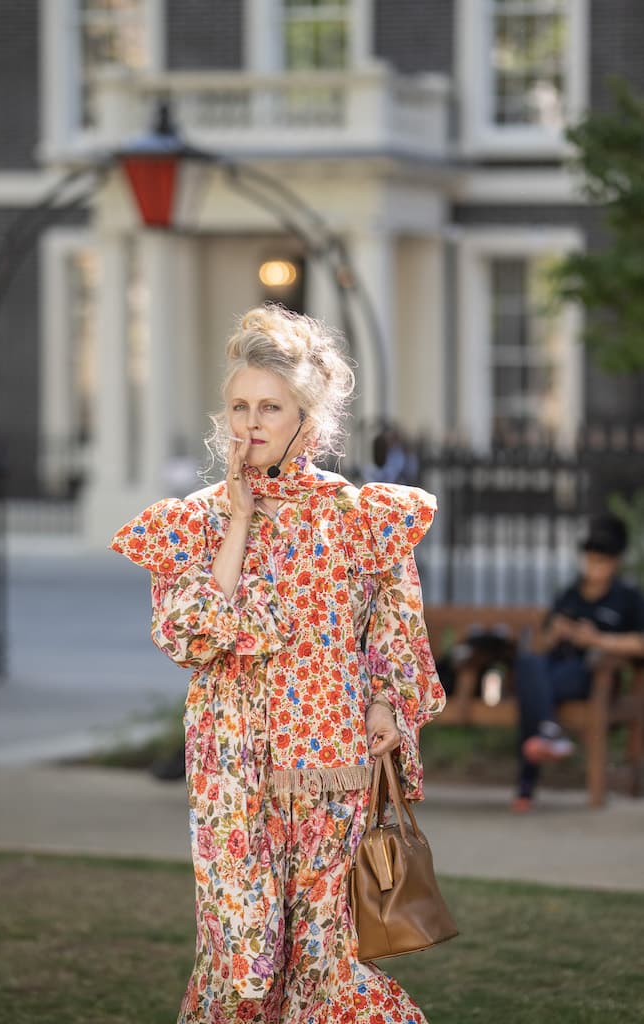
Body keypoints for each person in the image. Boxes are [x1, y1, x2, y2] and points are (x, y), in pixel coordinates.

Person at [109, 305, 446, 1024]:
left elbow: (394, 632)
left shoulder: (360, 516)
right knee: (245, 958)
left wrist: (386, 706)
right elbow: (190, 636)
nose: (250, 423)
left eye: (270, 406)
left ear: (308, 418)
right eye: (238, 406)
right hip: (233, 768)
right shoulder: (193, 522)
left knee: (327, 962)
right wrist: (236, 521)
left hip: (333, 766)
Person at [513, 513, 644, 812]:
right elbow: (541, 642)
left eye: (600, 561)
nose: (593, 567)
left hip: (592, 675)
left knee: (532, 691)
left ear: (614, 563)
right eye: (590, 559)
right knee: (530, 664)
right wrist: (556, 633)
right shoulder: (570, 594)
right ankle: (549, 732)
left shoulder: (627, 598)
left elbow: (639, 642)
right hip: (555, 668)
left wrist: (596, 639)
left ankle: (526, 785)